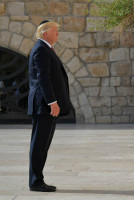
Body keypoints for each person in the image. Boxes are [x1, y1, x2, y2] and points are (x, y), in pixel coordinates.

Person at [27, 20, 73, 192]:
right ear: (45, 33)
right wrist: (52, 102)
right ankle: (35, 181)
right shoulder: (41, 49)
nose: (58, 34)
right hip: (43, 106)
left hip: (46, 105)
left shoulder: (45, 48)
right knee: (39, 145)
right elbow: (43, 78)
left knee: (43, 145)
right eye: (55, 31)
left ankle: (38, 179)